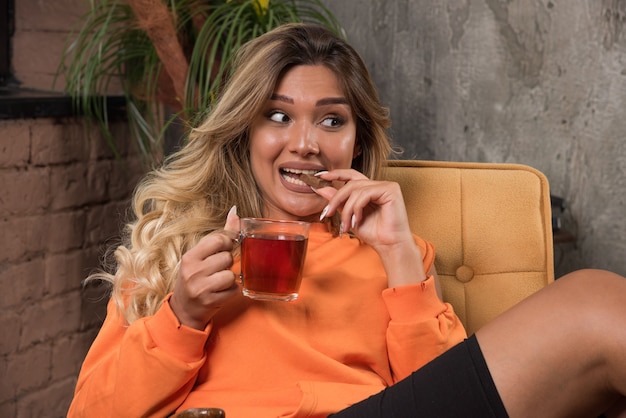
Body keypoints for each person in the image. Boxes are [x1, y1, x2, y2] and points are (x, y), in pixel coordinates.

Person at [67, 23, 626, 418]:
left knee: (596, 304)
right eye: (278, 116)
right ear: (245, 132)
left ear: (357, 143)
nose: (306, 144)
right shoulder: (178, 251)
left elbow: (449, 398)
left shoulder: (394, 253)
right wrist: (181, 318)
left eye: (332, 120)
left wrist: (400, 256)